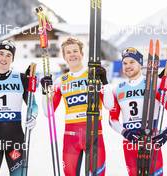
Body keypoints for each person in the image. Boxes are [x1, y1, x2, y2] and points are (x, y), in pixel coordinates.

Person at [40, 37, 114, 176]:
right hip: (70, 139)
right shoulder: (60, 81)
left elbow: (109, 105)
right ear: (64, 56)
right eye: (68, 52)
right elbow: (48, 113)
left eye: (75, 51)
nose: (72, 54)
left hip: (94, 136)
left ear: (82, 54)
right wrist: (45, 92)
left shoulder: (93, 75)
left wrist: (104, 81)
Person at [109, 47, 167, 176]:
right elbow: (112, 119)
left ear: (140, 63)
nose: (128, 66)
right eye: (125, 63)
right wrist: (125, 133)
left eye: (132, 62)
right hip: (130, 144)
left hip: (151, 141)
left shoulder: (155, 84)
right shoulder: (117, 89)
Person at [0, 40, 38, 176]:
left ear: (12, 59)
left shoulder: (21, 78)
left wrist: (33, 116)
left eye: (8, 55)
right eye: (1, 53)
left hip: (15, 141)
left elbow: (32, 104)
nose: (4, 58)